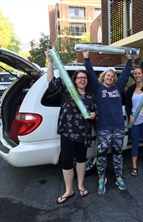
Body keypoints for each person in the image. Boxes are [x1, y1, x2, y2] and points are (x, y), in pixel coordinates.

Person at [46, 50, 97, 204]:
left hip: (83, 133)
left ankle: (80, 185)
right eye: (79, 77)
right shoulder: (67, 90)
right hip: (68, 132)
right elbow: (51, 80)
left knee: (81, 159)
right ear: (74, 80)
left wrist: (94, 115)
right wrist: (50, 61)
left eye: (84, 77)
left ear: (87, 81)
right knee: (67, 161)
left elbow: (96, 111)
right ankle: (69, 190)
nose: (82, 79)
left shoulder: (91, 96)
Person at [82, 49, 132, 194]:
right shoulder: (98, 88)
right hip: (103, 127)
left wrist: (129, 60)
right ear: (103, 77)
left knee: (117, 153)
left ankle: (118, 177)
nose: (110, 77)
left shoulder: (117, 88)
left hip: (118, 127)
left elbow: (125, 76)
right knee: (102, 154)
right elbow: (90, 73)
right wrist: (86, 57)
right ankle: (101, 179)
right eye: (108, 75)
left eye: (112, 76)